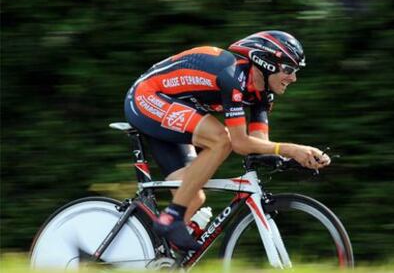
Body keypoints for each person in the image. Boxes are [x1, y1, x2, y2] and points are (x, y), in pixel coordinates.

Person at [124, 30, 331, 251]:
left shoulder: (262, 93)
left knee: (193, 197)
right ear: (266, 63)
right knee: (221, 139)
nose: (294, 78)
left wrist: (292, 159)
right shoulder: (232, 75)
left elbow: (259, 144)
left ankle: (154, 257)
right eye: (289, 70)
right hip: (146, 97)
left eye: (296, 71)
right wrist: (293, 149)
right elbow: (240, 143)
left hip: (174, 107)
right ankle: (171, 217)